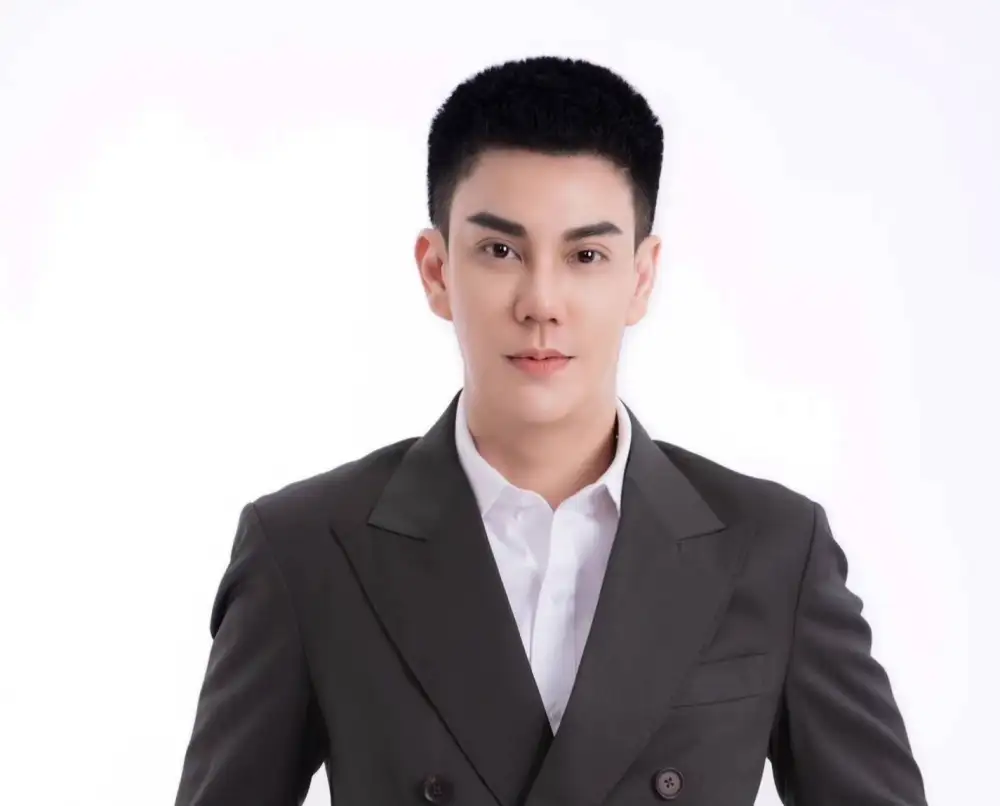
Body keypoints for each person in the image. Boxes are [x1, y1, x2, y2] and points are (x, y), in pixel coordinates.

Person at [173, 56, 928, 806]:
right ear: (437, 271)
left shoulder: (773, 548)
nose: (541, 301)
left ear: (641, 277)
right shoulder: (307, 549)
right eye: (500, 251)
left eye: (586, 255)